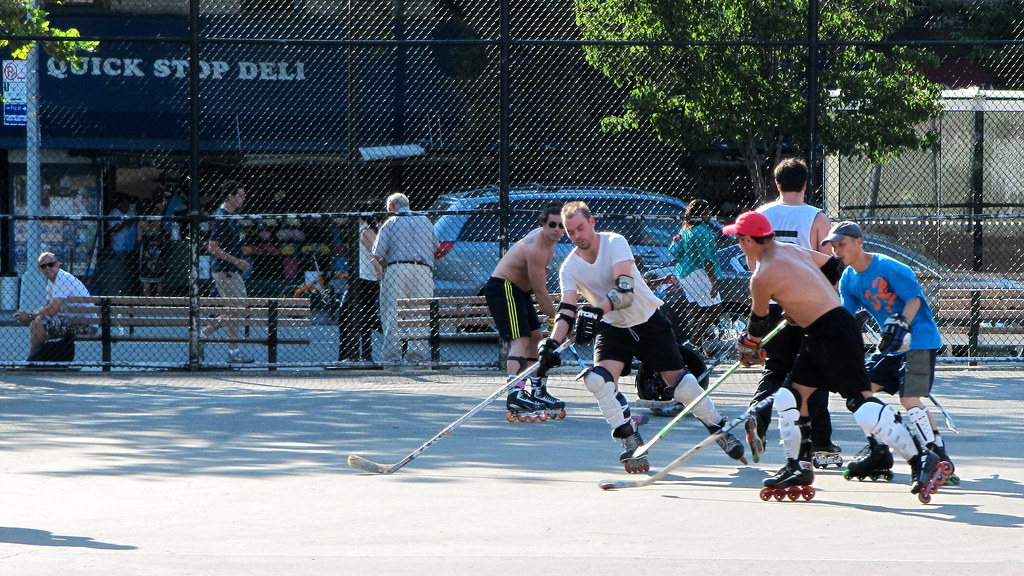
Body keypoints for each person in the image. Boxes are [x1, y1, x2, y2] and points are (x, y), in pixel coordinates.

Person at [726, 211, 943, 497]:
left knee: (859, 401)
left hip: (831, 332)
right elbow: (831, 267)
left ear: (747, 240)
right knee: (791, 396)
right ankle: (799, 466)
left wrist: (748, 346)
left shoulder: (761, 276)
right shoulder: (790, 249)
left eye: (739, 239)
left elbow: (757, 325)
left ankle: (921, 458)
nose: (739, 244)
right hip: (821, 331)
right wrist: (802, 301)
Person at [537, 201, 745, 474]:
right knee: (598, 381)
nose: (577, 235)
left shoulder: (615, 243)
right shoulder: (569, 267)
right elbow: (566, 310)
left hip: (647, 320)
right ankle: (629, 436)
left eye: (581, 228)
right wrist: (552, 343)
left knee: (681, 385)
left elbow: (625, 291)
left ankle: (719, 427)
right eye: (571, 232)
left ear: (592, 222)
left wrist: (596, 311)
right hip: (613, 328)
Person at [822, 221, 956, 480]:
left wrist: (903, 324)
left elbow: (914, 300)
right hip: (890, 347)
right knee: (858, 395)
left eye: (842, 244)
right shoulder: (848, 278)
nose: (837, 250)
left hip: (919, 341)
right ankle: (879, 452)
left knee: (910, 400)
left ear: (859, 242)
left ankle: (937, 454)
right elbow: (845, 315)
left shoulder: (889, 267)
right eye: (834, 246)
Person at [744, 158, 839, 467]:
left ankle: (758, 416)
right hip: (806, 305)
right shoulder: (816, 217)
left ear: (777, 184)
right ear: (806, 185)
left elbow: (753, 264)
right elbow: (827, 264)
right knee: (815, 371)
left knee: (775, 368)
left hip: (771, 302)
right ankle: (820, 442)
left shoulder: (762, 214)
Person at [483, 202, 566, 420]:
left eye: (562, 225)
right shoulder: (536, 248)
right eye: (553, 224)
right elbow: (540, 291)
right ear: (544, 224)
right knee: (520, 339)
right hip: (504, 288)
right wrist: (559, 320)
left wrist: (556, 322)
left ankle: (537, 390)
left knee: (537, 338)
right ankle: (515, 392)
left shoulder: (550, 242)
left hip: (520, 291)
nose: (557, 229)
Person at [372, 192, 439, 364]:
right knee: (421, 313)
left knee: (392, 312)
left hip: (397, 268)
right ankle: (417, 357)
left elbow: (378, 253)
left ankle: (392, 357)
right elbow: (435, 247)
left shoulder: (390, 223)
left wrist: (387, 263)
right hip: (423, 269)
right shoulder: (425, 221)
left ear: (391, 207)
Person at [200, 180, 254, 364]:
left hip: (231, 270)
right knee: (237, 308)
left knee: (235, 310)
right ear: (230, 196)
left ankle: (207, 337)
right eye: (241, 195)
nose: (244, 198)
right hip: (225, 270)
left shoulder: (230, 216)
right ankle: (229, 348)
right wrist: (237, 261)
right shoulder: (222, 217)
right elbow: (212, 247)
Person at [13, 252, 96, 360]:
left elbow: (52, 310)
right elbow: (48, 307)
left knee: (38, 322)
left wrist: (30, 316)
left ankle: (33, 360)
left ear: (58, 265)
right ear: (40, 269)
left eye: (51, 264)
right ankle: (36, 359)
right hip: (72, 321)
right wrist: (31, 315)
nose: (48, 268)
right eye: (44, 266)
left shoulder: (62, 278)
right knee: (38, 321)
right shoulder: (51, 283)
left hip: (85, 324)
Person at [667, 198, 722, 350]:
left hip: (685, 272)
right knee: (715, 308)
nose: (709, 214)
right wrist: (714, 283)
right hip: (698, 273)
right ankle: (694, 342)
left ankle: (692, 344)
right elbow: (707, 259)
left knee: (698, 309)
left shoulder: (686, 230)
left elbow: (675, 251)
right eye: (707, 211)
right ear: (701, 213)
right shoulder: (701, 231)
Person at [341, 199, 384, 361]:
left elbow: (375, 253)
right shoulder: (364, 229)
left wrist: (380, 275)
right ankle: (362, 355)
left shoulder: (365, 230)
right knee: (367, 317)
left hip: (365, 279)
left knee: (349, 315)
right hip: (361, 278)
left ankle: (347, 355)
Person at [106, 194, 137, 295]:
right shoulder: (114, 213)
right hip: (118, 249)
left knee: (131, 273)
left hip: (130, 247)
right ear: (119, 204)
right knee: (121, 272)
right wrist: (125, 222)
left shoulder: (129, 212)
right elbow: (114, 229)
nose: (126, 206)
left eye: (128, 204)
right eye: (125, 204)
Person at [137, 200, 169, 297]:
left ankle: (147, 301)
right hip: (158, 248)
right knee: (159, 279)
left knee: (146, 279)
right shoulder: (158, 219)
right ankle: (160, 301)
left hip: (147, 248)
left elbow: (139, 238)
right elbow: (164, 230)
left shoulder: (141, 222)